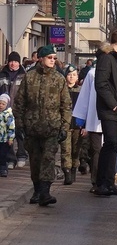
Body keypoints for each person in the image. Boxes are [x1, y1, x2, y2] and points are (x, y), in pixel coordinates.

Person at [13, 45, 71, 206]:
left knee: (48, 159)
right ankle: (37, 190)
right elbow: (19, 103)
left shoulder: (59, 79)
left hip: (52, 127)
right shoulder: (29, 77)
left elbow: (66, 105)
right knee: (35, 160)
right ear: (41, 58)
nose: (53, 60)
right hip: (32, 127)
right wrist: (20, 124)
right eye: (49, 58)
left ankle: (45, 192)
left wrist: (64, 127)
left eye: (54, 58)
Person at [93, 30, 117, 197]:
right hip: (110, 109)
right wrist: (114, 105)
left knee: (113, 145)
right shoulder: (107, 58)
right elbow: (100, 84)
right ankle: (102, 183)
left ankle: (109, 182)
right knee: (110, 143)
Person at [72, 51, 104, 192]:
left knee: (111, 150)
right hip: (95, 118)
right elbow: (84, 97)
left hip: (113, 119)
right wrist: (81, 119)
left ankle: (109, 179)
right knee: (96, 150)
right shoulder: (92, 74)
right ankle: (96, 181)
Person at [0, 51, 28, 169]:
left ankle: (21, 155)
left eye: (16, 62)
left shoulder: (24, 75)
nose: (13, 64)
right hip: (5, 109)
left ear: (19, 63)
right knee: (7, 134)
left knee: (20, 133)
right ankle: (10, 159)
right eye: (11, 61)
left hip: (19, 109)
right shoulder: (2, 74)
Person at [60, 64, 83, 185]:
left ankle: (74, 167)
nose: (71, 77)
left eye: (74, 75)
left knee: (76, 149)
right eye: (69, 75)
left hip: (78, 124)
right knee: (65, 149)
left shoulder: (81, 90)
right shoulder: (62, 90)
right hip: (65, 124)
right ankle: (67, 172)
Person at [0, 94, 15, 178]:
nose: (1, 106)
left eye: (3, 104)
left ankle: (3, 169)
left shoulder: (8, 115)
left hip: (5, 139)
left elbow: (11, 127)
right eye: (0, 103)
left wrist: (11, 138)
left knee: (3, 155)